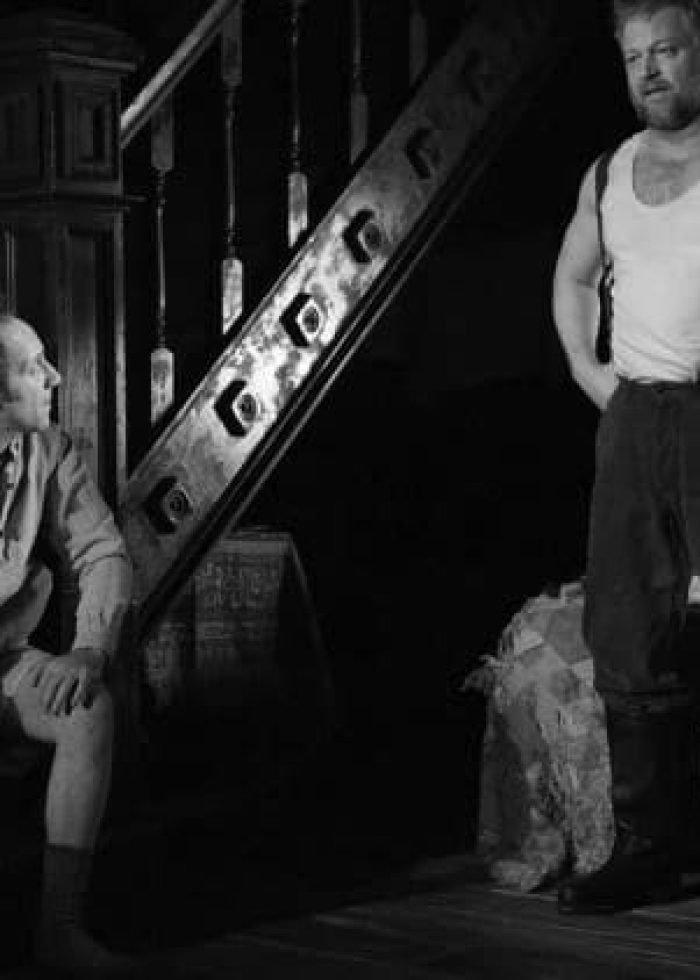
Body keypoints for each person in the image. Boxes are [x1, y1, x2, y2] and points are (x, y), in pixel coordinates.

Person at [552, 0, 700, 914]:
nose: (650, 71)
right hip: (639, 423)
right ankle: (647, 846)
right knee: (632, 633)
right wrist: (590, 371)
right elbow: (572, 276)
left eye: (670, 51)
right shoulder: (607, 172)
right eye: (635, 57)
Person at [0, 313, 140, 977]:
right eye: (33, 367)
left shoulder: (49, 451)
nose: (54, 377)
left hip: (4, 666)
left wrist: (89, 650)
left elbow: (103, 550)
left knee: (89, 709)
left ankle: (58, 932)